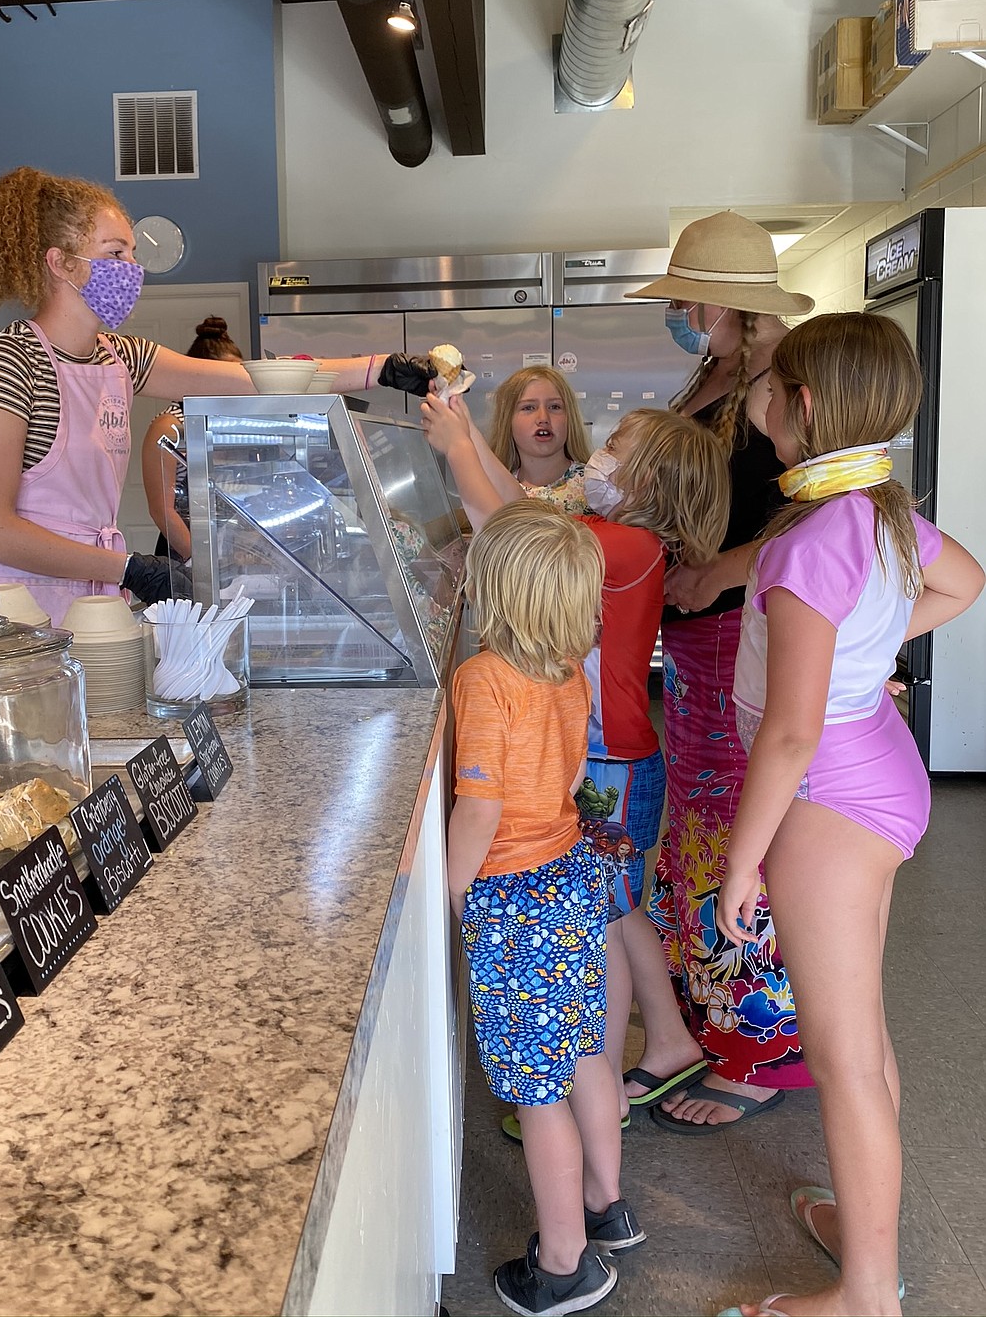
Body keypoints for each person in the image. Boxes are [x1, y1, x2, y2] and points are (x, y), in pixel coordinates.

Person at [714, 312, 983, 1317]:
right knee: (861, 1042)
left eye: (774, 384)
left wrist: (742, 864)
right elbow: (966, 583)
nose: (760, 397)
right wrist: (864, 659)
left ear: (807, 407)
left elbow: (786, 735)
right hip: (878, 766)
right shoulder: (877, 514)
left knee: (843, 1055)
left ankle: (868, 1295)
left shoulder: (808, 544)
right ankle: (864, 1236)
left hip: (828, 793)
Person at [424, 392, 729, 1132]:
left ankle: (587, 1074)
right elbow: (524, 519)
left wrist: (460, 448)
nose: (602, 453)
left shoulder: (624, 544)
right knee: (612, 915)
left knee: (603, 919)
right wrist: (466, 435)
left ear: (648, 480)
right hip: (614, 756)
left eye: (618, 444)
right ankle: (644, 1049)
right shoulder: (615, 535)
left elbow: (511, 536)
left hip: (612, 764)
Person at [0, 166, 432, 624]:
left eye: (134, 254)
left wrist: (379, 369)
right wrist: (126, 568)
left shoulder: (119, 356)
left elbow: (254, 379)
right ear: (60, 263)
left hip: (87, 600)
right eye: (116, 254)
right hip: (5, 615)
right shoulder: (8, 361)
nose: (134, 270)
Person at [623, 210, 817, 1130]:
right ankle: (711, 1018)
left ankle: (765, 1053)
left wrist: (715, 572)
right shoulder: (718, 371)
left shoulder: (785, 382)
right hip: (699, 638)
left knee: (742, 829)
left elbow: (809, 517)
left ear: (727, 301)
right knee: (704, 830)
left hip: (744, 628)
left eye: (692, 297)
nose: (684, 312)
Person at [450, 499, 640, 1317]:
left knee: (537, 1088)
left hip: (514, 897)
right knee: (588, 1052)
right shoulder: (567, 672)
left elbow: (481, 811)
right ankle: (607, 1207)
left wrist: (445, 894)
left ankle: (564, 1265)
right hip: (568, 880)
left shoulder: (485, 678)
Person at [141, 316, 243, 561]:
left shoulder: (229, 422)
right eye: (227, 376)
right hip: (183, 552)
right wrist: (200, 564)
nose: (236, 385)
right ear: (199, 375)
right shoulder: (169, 426)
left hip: (227, 546)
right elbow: (161, 510)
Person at [486, 366, 592, 513]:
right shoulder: (494, 491)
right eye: (529, 408)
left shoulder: (595, 485)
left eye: (554, 407)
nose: (543, 418)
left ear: (570, 418)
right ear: (507, 421)